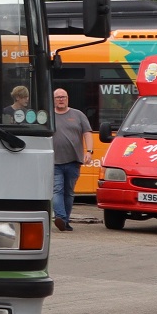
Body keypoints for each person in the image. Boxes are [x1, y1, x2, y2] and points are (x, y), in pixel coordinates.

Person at [51, 87, 93, 231]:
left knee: (69, 192)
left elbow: (87, 133)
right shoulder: (49, 116)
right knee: (57, 190)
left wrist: (89, 151)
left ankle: (65, 220)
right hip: (54, 161)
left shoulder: (78, 115)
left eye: (63, 97)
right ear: (53, 99)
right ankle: (61, 218)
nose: (61, 99)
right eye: (58, 97)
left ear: (68, 99)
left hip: (74, 161)